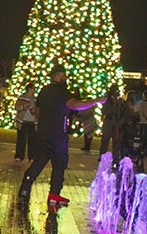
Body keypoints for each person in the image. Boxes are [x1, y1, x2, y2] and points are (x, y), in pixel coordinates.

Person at [18, 64, 105, 212]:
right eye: (65, 75)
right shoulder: (62, 92)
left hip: (43, 133)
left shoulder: (44, 91)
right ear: (58, 76)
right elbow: (75, 105)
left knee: (38, 163)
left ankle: (24, 189)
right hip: (57, 135)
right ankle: (54, 195)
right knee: (59, 166)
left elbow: (38, 111)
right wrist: (96, 101)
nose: (66, 78)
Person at [98, 85, 123, 163]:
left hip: (117, 123)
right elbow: (104, 111)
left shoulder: (120, 101)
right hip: (109, 121)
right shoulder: (107, 100)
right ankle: (102, 156)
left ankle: (115, 158)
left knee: (116, 142)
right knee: (105, 140)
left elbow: (122, 110)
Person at [14, 83, 37, 161]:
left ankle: (32, 156)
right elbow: (17, 107)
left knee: (32, 140)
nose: (34, 90)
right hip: (23, 121)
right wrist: (24, 106)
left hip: (32, 122)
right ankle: (19, 156)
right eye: (33, 88)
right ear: (29, 89)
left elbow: (37, 111)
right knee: (21, 139)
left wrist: (34, 109)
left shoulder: (35, 99)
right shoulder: (22, 98)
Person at [136, 91, 147, 157]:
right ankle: (146, 152)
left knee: (140, 137)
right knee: (146, 137)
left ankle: (139, 151)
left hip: (140, 121)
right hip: (146, 122)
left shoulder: (139, 103)